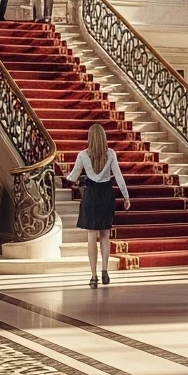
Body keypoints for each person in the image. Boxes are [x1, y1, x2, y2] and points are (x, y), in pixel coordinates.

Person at [65, 123, 130, 288]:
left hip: (91, 195)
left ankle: (93, 276)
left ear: (90, 138)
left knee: (91, 237)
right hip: (106, 193)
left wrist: (68, 177)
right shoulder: (111, 154)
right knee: (105, 235)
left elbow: (73, 177)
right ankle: (104, 270)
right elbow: (119, 176)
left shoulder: (82, 155)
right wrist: (126, 196)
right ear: (103, 138)